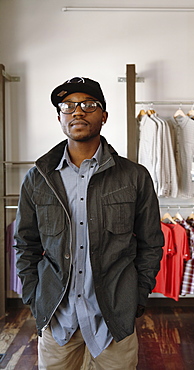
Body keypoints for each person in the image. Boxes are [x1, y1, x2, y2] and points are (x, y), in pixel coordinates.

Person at [14, 76, 164, 370]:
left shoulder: (134, 176)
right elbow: (25, 244)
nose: (78, 111)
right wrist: (34, 297)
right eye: (68, 106)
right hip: (58, 320)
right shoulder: (38, 178)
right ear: (59, 116)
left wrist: (138, 296)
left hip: (114, 321)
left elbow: (151, 243)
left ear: (104, 116)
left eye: (88, 104)